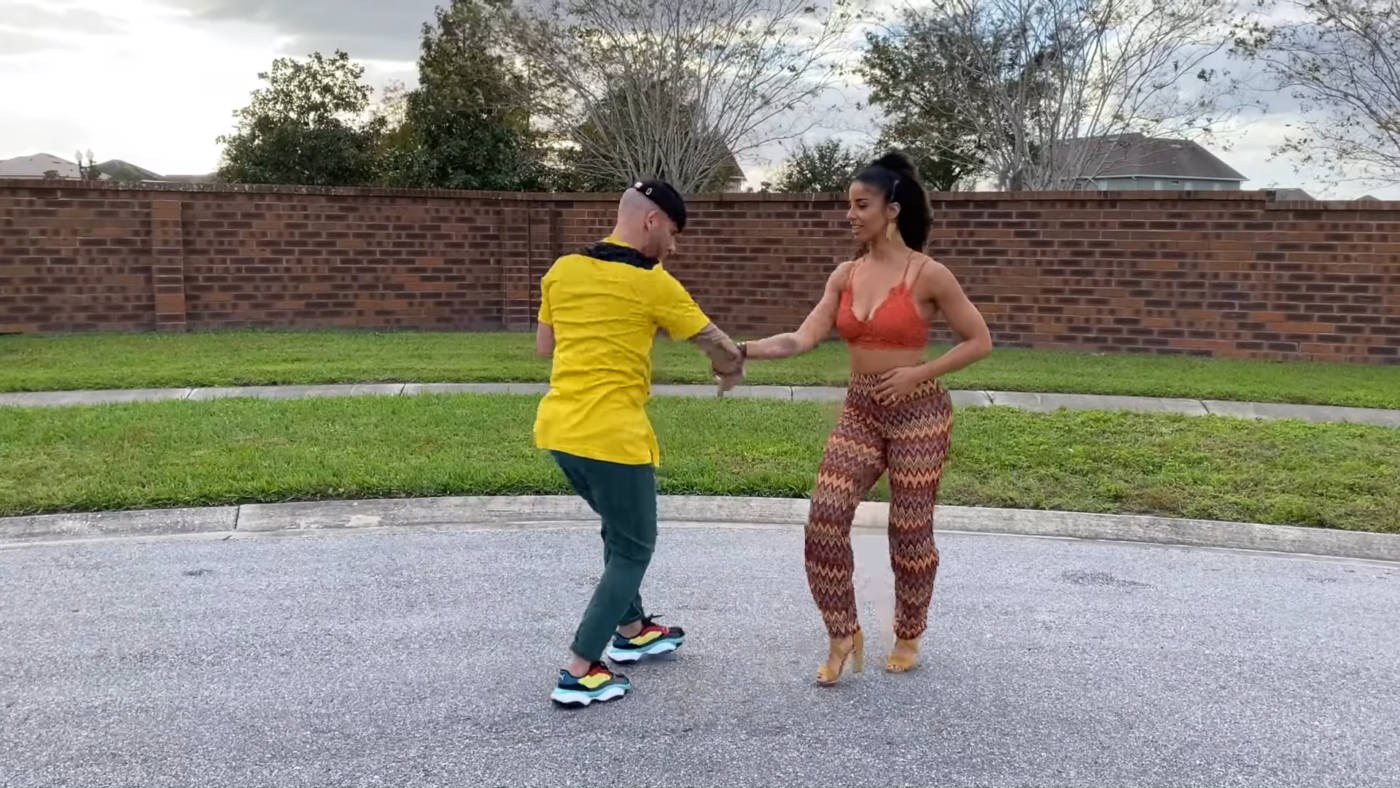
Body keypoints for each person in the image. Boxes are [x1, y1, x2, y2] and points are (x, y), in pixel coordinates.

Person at [736, 152, 992, 685]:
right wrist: (741, 350)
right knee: (825, 517)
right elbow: (802, 337)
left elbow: (979, 340)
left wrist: (919, 373)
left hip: (919, 413)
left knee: (909, 529)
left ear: (891, 210)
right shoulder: (845, 275)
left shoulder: (929, 274)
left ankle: (909, 632)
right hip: (861, 409)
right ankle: (842, 632)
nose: (849, 214)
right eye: (849, 205)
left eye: (860, 205)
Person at [533, 179, 746, 707]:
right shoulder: (654, 282)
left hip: (560, 431)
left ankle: (631, 630)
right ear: (652, 221)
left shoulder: (563, 269)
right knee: (634, 547)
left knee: (618, 526)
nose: (672, 247)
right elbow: (716, 345)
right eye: (672, 233)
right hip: (614, 438)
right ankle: (581, 668)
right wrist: (731, 369)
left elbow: (545, 346)